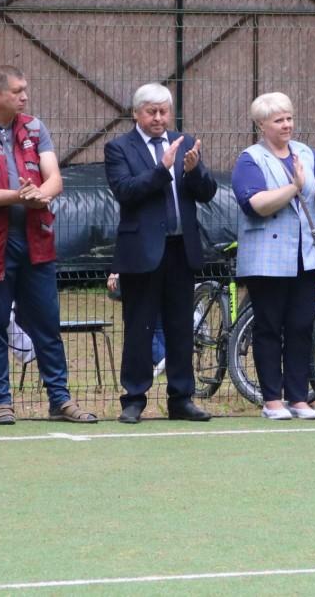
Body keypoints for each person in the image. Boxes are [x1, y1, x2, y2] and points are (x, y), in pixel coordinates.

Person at [0, 65, 97, 425]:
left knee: (47, 323)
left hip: (37, 241)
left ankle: (60, 399)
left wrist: (40, 195)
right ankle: (0, 402)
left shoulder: (35, 128)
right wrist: (18, 197)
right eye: (18, 91)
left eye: (25, 90)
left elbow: (55, 179)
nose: (25, 97)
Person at [105, 83, 218, 423]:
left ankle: (181, 399)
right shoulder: (119, 148)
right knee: (139, 327)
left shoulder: (184, 142)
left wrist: (194, 170)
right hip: (141, 251)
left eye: (163, 111)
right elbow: (125, 191)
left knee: (181, 327)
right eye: (151, 112)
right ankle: (134, 399)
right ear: (136, 113)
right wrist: (161, 170)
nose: (158, 118)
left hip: (181, 249)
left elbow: (207, 193)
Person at [231, 92, 315, 420]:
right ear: (261, 125)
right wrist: (294, 186)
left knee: (301, 326)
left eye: (289, 118)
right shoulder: (250, 160)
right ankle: (271, 400)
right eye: (279, 120)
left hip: (304, 258)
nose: (287, 125)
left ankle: (298, 397)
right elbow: (256, 204)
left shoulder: (306, 153)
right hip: (266, 260)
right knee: (268, 327)